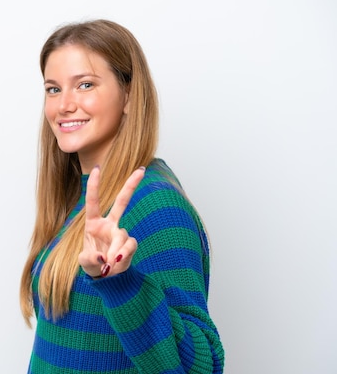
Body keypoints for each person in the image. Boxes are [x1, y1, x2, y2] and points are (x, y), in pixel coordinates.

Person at [19, 19, 225, 373]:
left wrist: (119, 282)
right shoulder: (82, 199)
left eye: (85, 85)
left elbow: (200, 367)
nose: (64, 105)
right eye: (53, 89)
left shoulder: (156, 207)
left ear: (128, 95)